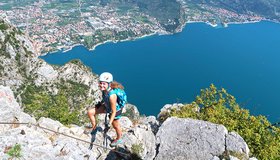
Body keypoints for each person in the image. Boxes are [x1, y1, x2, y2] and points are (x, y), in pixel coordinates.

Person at [87, 72, 126, 147]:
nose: (101, 85)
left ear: (109, 84)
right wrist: (100, 103)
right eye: (100, 83)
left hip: (115, 110)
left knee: (115, 126)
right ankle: (94, 127)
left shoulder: (112, 96)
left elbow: (114, 111)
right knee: (90, 112)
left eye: (104, 83)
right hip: (107, 106)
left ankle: (119, 138)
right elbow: (105, 98)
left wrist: (109, 123)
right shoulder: (105, 90)